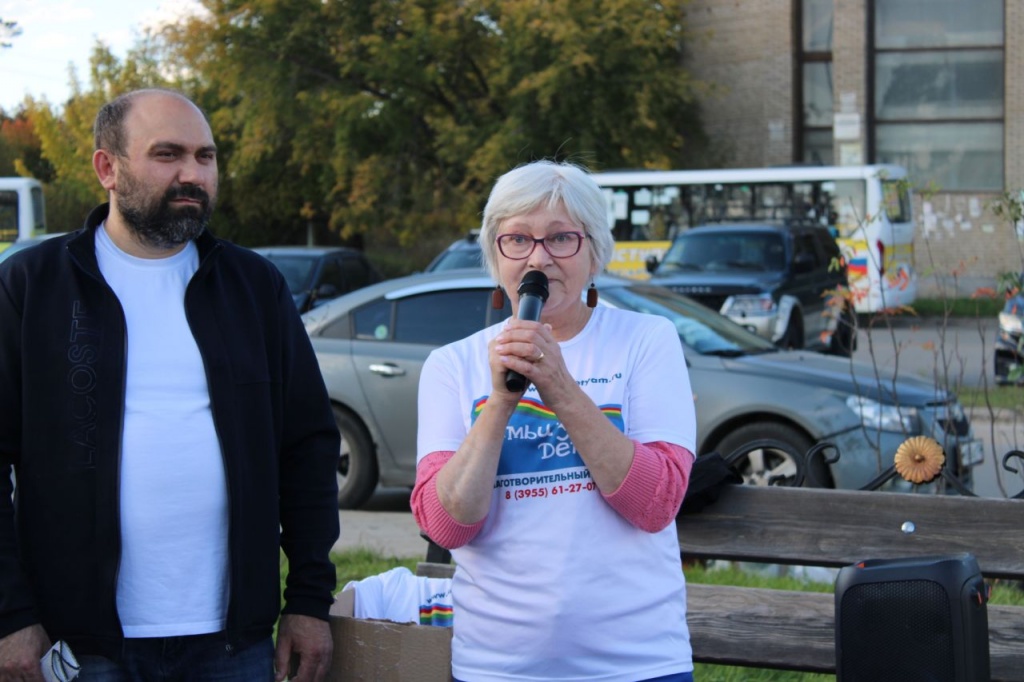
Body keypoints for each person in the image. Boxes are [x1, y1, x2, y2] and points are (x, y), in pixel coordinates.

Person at [0, 89, 341, 682]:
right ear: (107, 168)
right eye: (168, 154)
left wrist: (309, 600)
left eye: (205, 157)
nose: (193, 174)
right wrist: (10, 615)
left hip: (232, 643)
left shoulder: (252, 287)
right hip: (76, 642)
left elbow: (307, 446)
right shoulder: (32, 286)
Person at [411, 160, 698, 681]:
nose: (538, 257)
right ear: (495, 255)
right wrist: (500, 402)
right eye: (517, 239)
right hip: (497, 667)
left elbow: (657, 504)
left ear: (595, 253)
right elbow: (447, 526)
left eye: (561, 238)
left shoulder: (646, 340)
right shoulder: (451, 365)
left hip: (637, 664)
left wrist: (559, 385)